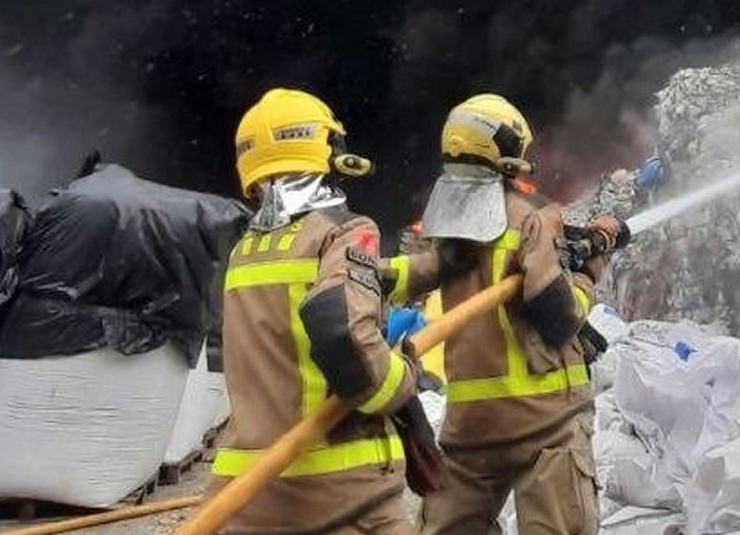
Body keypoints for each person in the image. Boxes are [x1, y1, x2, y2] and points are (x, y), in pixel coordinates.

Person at [210, 88, 438, 535]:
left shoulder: (244, 252)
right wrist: (404, 384)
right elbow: (344, 337)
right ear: (324, 150)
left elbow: (345, 284)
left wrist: (439, 267)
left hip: (247, 495)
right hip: (340, 496)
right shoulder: (345, 231)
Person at [391, 93, 618, 535]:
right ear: (507, 151)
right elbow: (560, 319)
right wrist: (589, 276)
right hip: (547, 421)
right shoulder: (533, 221)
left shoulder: (446, 230)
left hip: (472, 427)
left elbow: (412, 274)